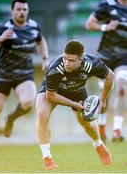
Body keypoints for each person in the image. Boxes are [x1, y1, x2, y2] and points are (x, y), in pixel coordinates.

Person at [0, 0, 49, 150]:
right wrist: (1, 38)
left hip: (24, 74)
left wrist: (45, 58)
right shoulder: (5, 27)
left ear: (28, 11)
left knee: (28, 103)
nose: (21, 12)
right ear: (12, 11)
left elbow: (41, 41)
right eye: (18, 9)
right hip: (4, 74)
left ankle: (10, 119)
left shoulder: (34, 26)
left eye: (24, 9)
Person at [36, 40, 114, 170]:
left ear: (81, 59)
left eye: (71, 60)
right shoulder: (56, 67)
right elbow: (51, 96)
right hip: (53, 90)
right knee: (42, 114)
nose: (67, 62)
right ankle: (47, 158)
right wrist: (73, 104)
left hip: (76, 90)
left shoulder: (92, 64)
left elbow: (110, 76)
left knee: (86, 122)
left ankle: (98, 144)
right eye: (65, 58)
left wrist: (103, 99)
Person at [85, 0, 127, 142]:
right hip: (106, 55)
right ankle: (102, 127)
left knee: (122, 89)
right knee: (105, 92)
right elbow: (89, 23)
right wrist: (106, 26)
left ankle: (117, 130)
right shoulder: (107, 4)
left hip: (124, 56)